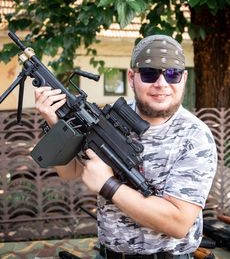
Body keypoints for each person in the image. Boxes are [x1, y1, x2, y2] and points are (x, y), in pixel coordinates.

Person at [34, 35, 217, 259]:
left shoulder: (194, 136)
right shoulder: (111, 119)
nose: (162, 84)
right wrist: (57, 124)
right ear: (132, 77)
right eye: (150, 73)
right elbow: (70, 172)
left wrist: (108, 185)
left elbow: (178, 223)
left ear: (184, 78)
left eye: (172, 74)